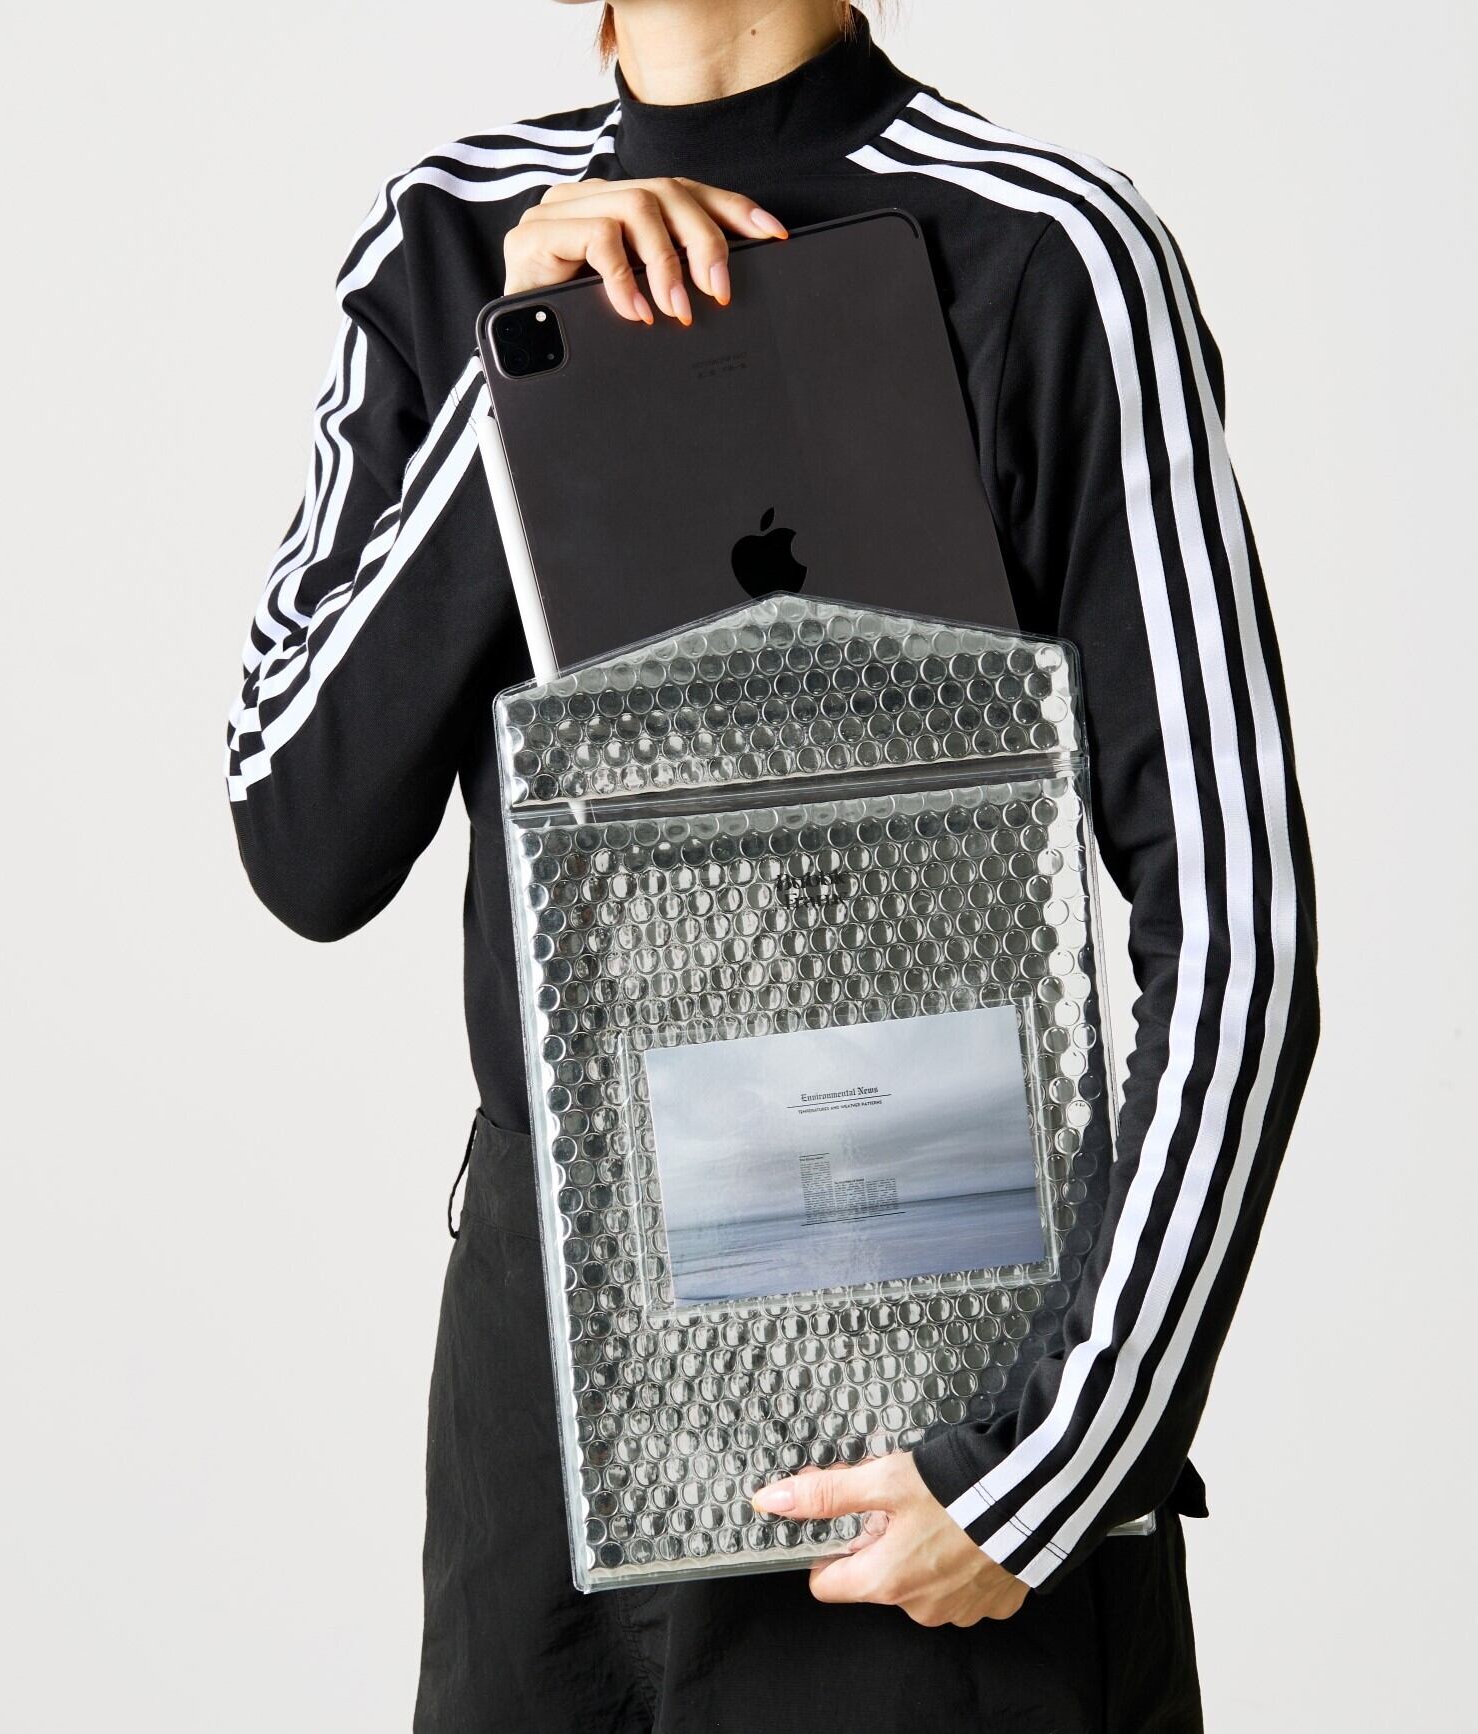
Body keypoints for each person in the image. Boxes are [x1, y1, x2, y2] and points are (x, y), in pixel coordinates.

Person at [224, 2, 1320, 1728]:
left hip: (940, 1372)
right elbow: (303, 834)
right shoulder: (448, 238)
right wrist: (513, 377)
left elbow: (1235, 913)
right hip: (546, 1400)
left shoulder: (1047, 249)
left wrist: (1063, 1447)